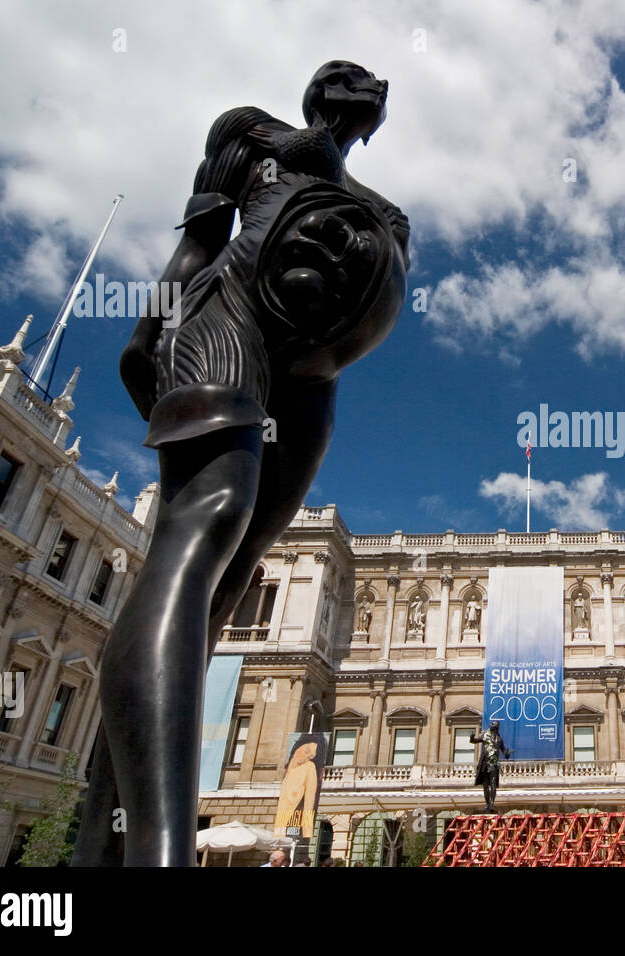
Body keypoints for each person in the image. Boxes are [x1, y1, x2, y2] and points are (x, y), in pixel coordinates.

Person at [73, 60, 410, 867]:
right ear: (321, 91)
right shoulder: (249, 133)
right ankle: (163, 852)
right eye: (351, 75)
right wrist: (146, 331)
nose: (371, 85)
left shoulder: (390, 212)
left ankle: (101, 842)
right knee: (207, 519)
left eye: (375, 84)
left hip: (314, 371)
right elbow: (198, 245)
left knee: (229, 580)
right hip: (231, 318)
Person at [469, 720, 513, 813]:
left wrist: (507, 754)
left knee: (493, 784)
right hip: (484, 763)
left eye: (494, 728)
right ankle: (487, 804)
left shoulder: (499, 740)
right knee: (485, 785)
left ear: (497, 729)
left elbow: (504, 751)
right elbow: (474, 741)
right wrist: (471, 737)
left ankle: (492, 804)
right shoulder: (485, 736)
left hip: (493, 764)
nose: (493, 729)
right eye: (492, 728)